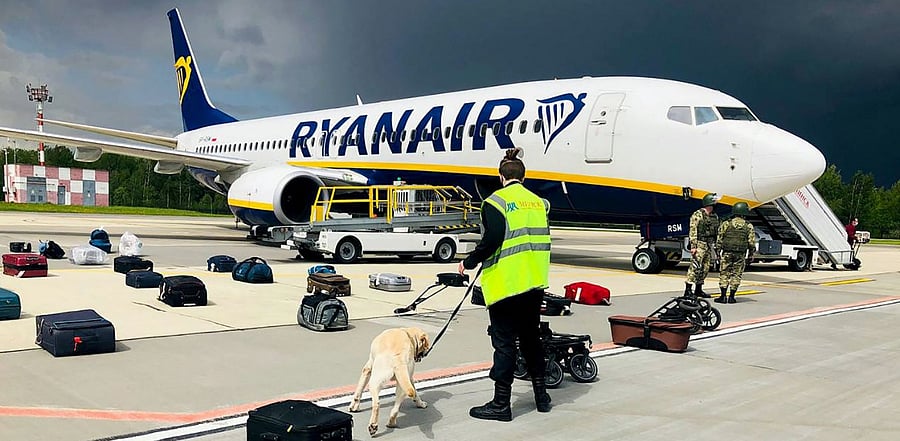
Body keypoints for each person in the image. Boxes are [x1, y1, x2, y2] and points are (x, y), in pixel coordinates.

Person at [458, 147, 552, 421]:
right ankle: (541, 396)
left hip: (507, 285)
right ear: (523, 176)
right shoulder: (539, 203)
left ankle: (501, 404)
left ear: (501, 177)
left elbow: (493, 239)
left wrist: (470, 261)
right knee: (531, 339)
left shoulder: (495, 202)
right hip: (534, 283)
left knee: (505, 344)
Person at [716, 202, 756, 304]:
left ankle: (723, 296)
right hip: (740, 254)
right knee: (736, 274)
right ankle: (732, 297)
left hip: (727, 253)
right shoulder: (748, 226)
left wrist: (717, 252)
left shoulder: (726, 224)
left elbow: (719, 239)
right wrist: (751, 254)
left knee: (724, 273)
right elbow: (751, 243)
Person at [684, 193, 719, 298]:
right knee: (695, 267)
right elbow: (693, 230)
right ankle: (688, 290)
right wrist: (693, 246)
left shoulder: (714, 216)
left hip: (708, 244)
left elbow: (716, 231)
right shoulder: (697, 215)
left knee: (705, 267)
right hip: (699, 244)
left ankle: (698, 289)